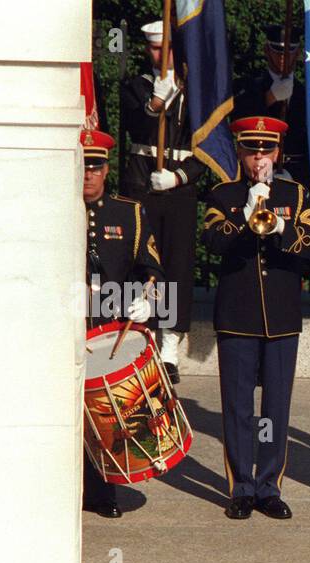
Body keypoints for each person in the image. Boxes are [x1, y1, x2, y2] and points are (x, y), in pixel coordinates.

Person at [202, 117, 310, 520]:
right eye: (252, 151)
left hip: (282, 315)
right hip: (237, 315)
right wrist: (247, 211)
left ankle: (269, 484)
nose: (259, 160)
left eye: (266, 151)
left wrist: (280, 222)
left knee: (276, 407)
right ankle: (241, 485)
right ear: (240, 153)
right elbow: (214, 241)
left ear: (278, 153)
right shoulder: (223, 195)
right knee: (237, 406)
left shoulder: (295, 193)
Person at [81, 129, 164, 518]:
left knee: (106, 415)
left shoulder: (126, 212)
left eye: (95, 165)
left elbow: (152, 270)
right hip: (65, 328)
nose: (88, 174)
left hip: (107, 331)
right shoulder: (55, 208)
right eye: (82, 165)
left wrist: (147, 300)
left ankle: (104, 490)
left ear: (106, 169)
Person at [119, 20, 204, 384]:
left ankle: (169, 347)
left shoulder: (197, 90)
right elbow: (135, 126)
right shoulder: (135, 85)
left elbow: (209, 144)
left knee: (176, 264)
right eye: (155, 49)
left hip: (178, 188)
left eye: (167, 49)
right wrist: (156, 102)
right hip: (142, 182)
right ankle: (144, 339)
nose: (161, 55)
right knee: (143, 261)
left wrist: (180, 176)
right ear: (147, 50)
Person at [232, 22, 308, 186]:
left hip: (298, 173)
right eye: (277, 50)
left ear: (299, 53)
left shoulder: (307, 94)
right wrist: (269, 98)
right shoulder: (249, 86)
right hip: (256, 169)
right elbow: (239, 120)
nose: (283, 56)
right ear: (266, 50)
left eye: (289, 50)